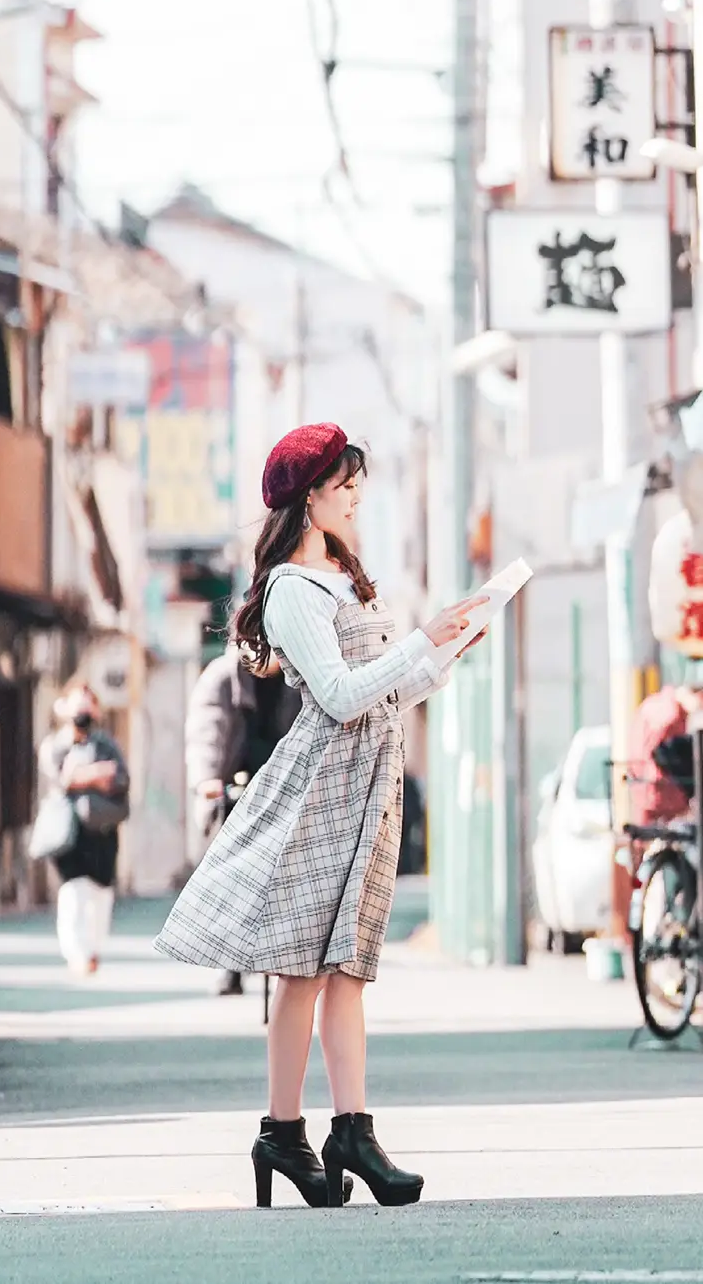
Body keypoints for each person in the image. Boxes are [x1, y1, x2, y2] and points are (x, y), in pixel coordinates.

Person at [156, 422, 484, 1209]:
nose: (357, 498)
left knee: (349, 969)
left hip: (369, 781)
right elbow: (338, 697)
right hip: (322, 788)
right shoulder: (291, 590)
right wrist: (419, 643)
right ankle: (283, 1132)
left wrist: (444, 653)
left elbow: (386, 690)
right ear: (309, 499)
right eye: (345, 486)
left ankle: (350, 1131)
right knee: (302, 968)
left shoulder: (341, 578)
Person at [185, 641, 300, 994]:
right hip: (234, 779)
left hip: (282, 778)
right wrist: (207, 781)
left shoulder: (299, 678)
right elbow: (207, 733)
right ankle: (230, 965)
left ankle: (288, 953)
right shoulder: (221, 678)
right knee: (229, 872)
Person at [36, 683, 130, 976]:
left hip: (102, 831)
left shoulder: (106, 744)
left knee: (101, 894)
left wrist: (83, 776)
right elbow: (61, 779)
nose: (83, 713)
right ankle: (77, 953)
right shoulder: (55, 745)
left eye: (89, 706)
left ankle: (93, 949)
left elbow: (120, 777)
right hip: (70, 833)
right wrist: (95, 774)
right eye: (78, 706)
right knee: (73, 893)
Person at [627, 678, 703, 825]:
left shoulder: (654, 703)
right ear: (702, 699)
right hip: (662, 794)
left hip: (643, 789)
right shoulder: (672, 717)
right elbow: (661, 755)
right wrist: (689, 791)